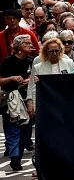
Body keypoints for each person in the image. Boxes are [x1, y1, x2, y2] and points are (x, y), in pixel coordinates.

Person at [0, 34, 33, 170]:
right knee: (12, 129)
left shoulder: (33, 61)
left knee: (26, 128)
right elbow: (1, 81)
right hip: (10, 99)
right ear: (18, 47)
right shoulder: (7, 62)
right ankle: (14, 157)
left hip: (27, 99)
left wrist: (28, 80)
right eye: (27, 43)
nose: (30, 45)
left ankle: (18, 155)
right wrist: (12, 78)